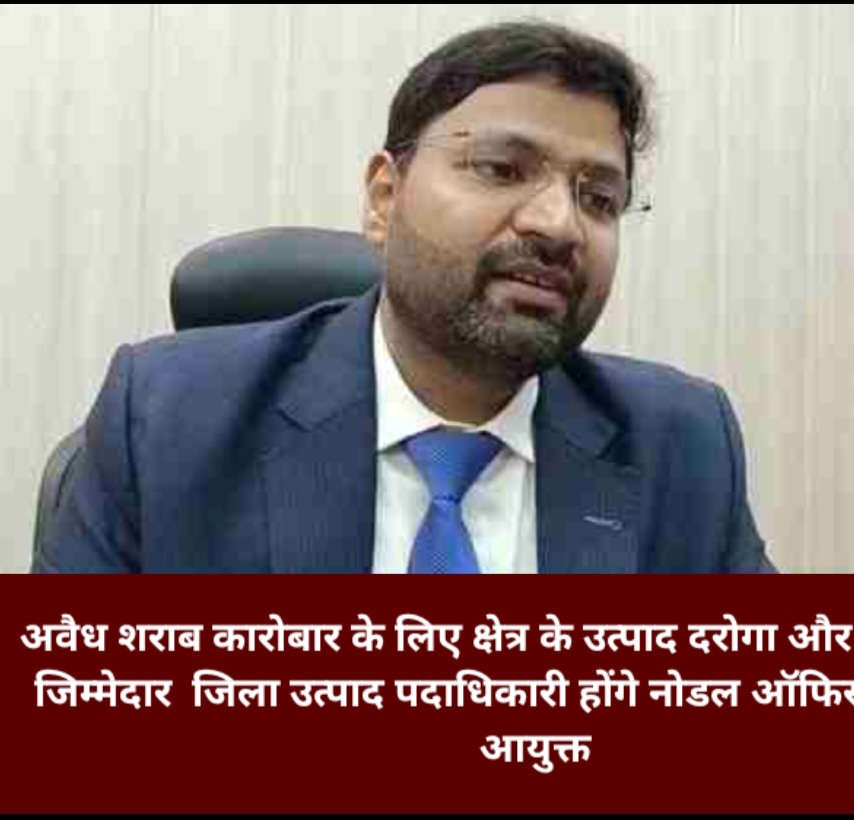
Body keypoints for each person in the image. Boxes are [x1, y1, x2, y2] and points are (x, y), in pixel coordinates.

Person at [35, 20, 774, 574]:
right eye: (501, 168)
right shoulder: (167, 420)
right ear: (384, 198)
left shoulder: (682, 448)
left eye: (599, 198)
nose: (559, 224)